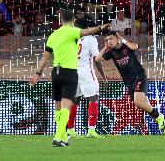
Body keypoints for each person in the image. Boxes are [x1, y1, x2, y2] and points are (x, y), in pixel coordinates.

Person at [29, 9, 108, 147]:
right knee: (67, 106)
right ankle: (58, 137)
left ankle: (64, 136)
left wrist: (37, 73)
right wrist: (100, 27)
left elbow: (45, 57)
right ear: (73, 21)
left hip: (56, 73)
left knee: (58, 106)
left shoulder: (53, 35)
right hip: (69, 72)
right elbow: (87, 32)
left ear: (61, 21)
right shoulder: (72, 31)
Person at [95, 31, 165, 138]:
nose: (109, 41)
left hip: (139, 76)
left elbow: (135, 46)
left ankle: (160, 117)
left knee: (138, 102)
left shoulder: (125, 46)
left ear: (117, 38)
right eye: (107, 39)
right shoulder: (111, 52)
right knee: (146, 107)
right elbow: (97, 59)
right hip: (129, 83)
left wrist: (122, 39)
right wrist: (105, 47)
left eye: (111, 39)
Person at [67, 18, 107, 138]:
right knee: (93, 98)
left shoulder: (72, 38)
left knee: (75, 100)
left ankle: (70, 129)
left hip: (72, 71)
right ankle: (91, 130)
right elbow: (97, 59)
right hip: (86, 72)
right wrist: (104, 77)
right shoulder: (91, 39)